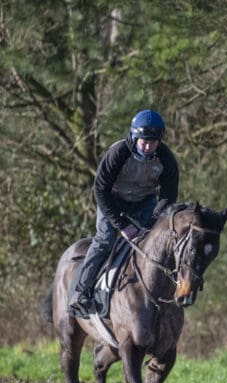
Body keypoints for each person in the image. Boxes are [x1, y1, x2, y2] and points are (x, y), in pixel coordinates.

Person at [67, 109, 179, 317]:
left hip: (144, 203)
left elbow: (168, 196)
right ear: (134, 138)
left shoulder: (166, 159)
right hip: (113, 201)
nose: (148, 147)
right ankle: (81, 292)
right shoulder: (118, 153)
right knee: (105, 240)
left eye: (153, 142)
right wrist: (122, 225)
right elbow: (100, 189)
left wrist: (153, 220)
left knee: (157, 242)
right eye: (144, 142)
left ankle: (167, 293)